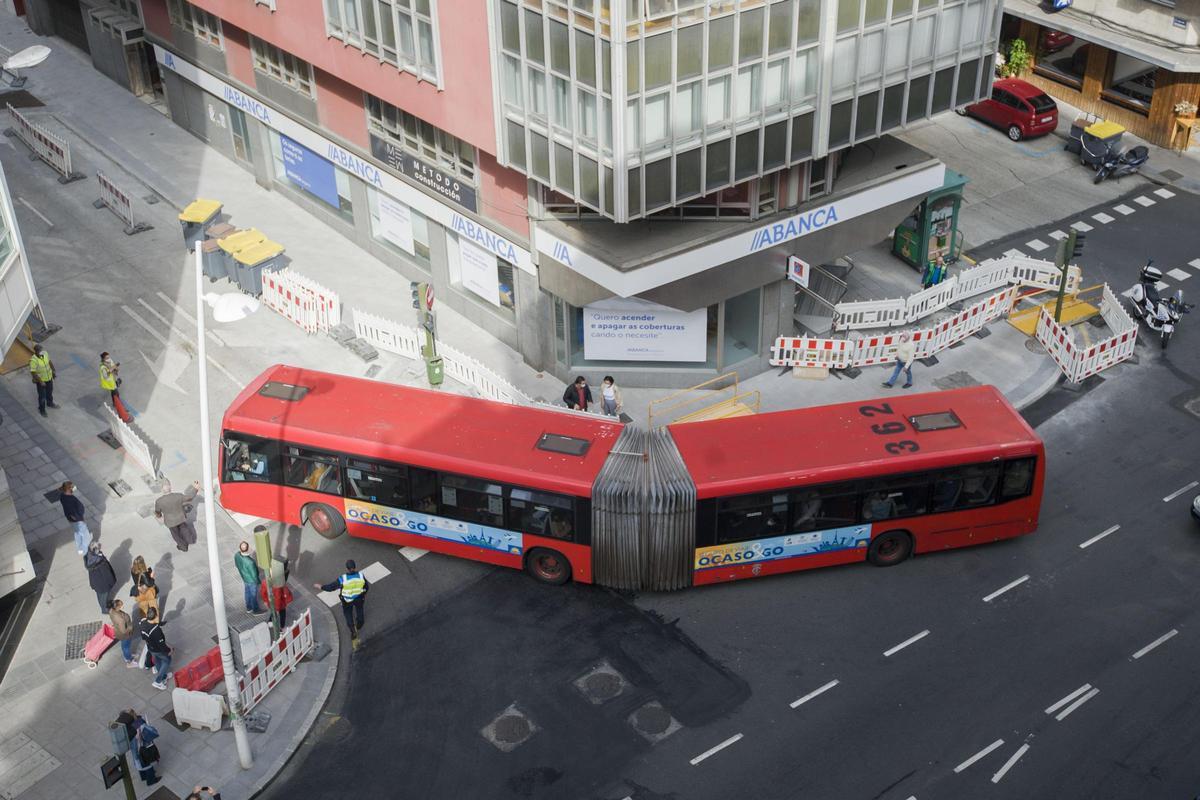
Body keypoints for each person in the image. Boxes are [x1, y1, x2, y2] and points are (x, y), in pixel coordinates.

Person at [314, 560, 370, 643]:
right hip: (359, 598)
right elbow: (366, 587)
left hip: (347, 600)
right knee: (359, 610)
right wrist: (363, 595)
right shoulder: (361, 576)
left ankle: (353, 630)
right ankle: (360, 624)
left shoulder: (343, 579)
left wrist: (321, 587)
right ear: (355, 567)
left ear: (347, 568)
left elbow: (331, 587)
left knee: (348, 614)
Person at [155, 479, 201, 552]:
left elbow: (157, 512)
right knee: (184, 529)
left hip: (170, 522)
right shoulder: (178, 496)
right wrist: (195, 489)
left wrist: (159, 516)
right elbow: (189, 497)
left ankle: (183, 546)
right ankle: (190, 539)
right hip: (181, 518)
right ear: (170, 487)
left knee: (176, 535)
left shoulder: (159, 501)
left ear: (161, 489)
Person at [117, 709, 160, 786]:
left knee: (138, 761)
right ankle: (151, 781)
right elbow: (149, 732)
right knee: (147, 762)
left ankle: (143, 776)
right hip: (142, 747)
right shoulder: (138, 723)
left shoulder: (124, 728)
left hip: (134, 748)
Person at [138, 607, 172, 690]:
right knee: (167, 660)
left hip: (150, 647)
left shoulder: (142, 622)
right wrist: (169, 650)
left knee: (157, 661)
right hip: (158, 650)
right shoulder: (156, 629)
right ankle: (158, 681)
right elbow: (161, 644)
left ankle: (164, 677)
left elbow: (143, 636)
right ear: (156, 616)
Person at [59, 482, 92, 557]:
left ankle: (80, 549)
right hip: (77, 520)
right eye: (72, 487)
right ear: (69, 489)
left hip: (72, 520)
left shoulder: (63, 496)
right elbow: (71, 510)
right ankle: (85, 551)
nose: (73, 488)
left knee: (78, 533)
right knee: (85, 535)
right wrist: (79, 518)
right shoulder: (69, 499)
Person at [85, 541, 117, 614]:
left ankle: (103, 605)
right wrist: (111, 581)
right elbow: (106, 573)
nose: (100, 549)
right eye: (99, 548)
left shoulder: (90, 556)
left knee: (99, 595)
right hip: (103, 583)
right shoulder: (99, 562)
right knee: (104, 596)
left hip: (96, 582)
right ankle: (104, 609)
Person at [29, 344, 57, 418]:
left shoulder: (45, 353)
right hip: (41, 381)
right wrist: (41, 381)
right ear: (36, 351)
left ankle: (50, 403)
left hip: (49, 378)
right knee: (42, 396)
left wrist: (53, 371)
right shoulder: (33, 360)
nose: (41, 352)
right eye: (39, 351)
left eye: (41, 350)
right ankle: (42, 410)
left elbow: (49, 361)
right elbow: (33, 372)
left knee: (50, 392)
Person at [234, 541, 263, 614]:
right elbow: (254, 575)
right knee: (253, 595)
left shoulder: (237, 555)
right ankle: (256, 610)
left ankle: (249, 607)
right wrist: (258, 581)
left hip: (244, 577)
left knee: (247, 592)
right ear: (247, 549)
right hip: (251, 580)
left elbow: (237, 565)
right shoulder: (250, 562)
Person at [109, 598, 137, 667]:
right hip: (125, 635)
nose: (123, 606)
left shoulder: (112, 610)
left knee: (124, 646)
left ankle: (128, 656)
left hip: (118, 632)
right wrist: (130, 627)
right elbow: (124, 631)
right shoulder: (120, 619)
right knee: (126, 647)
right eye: (121, 605)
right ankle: (129, 661)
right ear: (117, 607)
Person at [130, 556, 159, 620]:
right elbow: (149, 584)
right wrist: (152, 577)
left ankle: (143, 620)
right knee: (153, 606)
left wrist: (147, 574)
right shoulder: (143, 573)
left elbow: (138, 580)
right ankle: (154, 621)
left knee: (143, 607)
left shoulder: (132, 569)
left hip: (139, 591)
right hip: (147, 592)